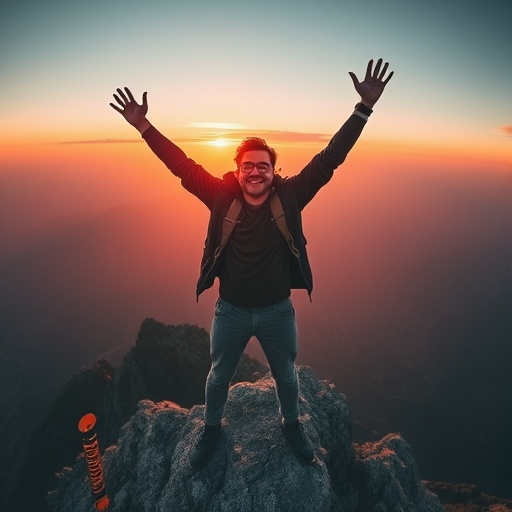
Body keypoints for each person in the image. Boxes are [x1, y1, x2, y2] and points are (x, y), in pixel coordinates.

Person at [110, 58, 393, 470]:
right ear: (238, 171)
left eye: (263, 165)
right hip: (231, 312)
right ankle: (211, 427)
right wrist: (144, 128)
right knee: (218, 377)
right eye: (248, 166)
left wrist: (363, 109)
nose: (255, 172)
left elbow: (330, 158)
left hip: (279, 312)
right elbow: (180, 165)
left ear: (274, 172)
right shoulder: (220, 197)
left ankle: (291, 423)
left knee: (287, 376)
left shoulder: (291, 195)